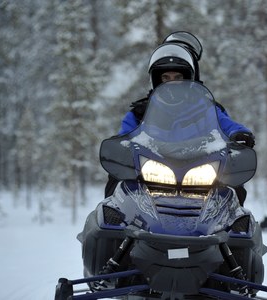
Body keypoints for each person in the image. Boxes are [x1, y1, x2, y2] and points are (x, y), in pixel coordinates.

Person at [105, 31, 255, 204]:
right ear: (157, 80)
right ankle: (113, 217)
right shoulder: (140, 113)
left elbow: (229, 126)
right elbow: (123, 137)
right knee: (117, 179)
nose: (172, 82)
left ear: (188, 78)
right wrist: (119, 147)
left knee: (232, 186)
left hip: (200, 175)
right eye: (166, 77)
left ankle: (234, 222)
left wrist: (240, 135)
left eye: (178, 77)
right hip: (151, 175)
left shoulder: (206, 108)